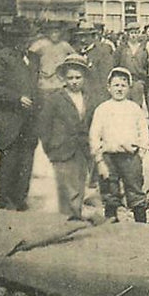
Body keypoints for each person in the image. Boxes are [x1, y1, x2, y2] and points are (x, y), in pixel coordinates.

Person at [0, 18, 41, 211]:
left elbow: (36, 86)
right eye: (20, 37)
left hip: (29, 122)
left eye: (28, 37)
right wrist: (17, 98)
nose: (25, 41)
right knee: (9, 164)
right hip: (9, 120)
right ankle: (7, 205)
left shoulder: (34, 58)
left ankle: (20, 202)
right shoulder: (1, 57)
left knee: (26, 164)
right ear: (12, 38)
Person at [36, 54, 96, 220]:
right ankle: (68, 221)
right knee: (66, 189)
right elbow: (44, 125)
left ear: (84, 78)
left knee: (79, 185)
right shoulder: (55, 98)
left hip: (82, 149)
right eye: (70, 78)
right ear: (64, 78)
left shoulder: (89, 98)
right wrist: (50, 147)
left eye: (78, 77)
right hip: (61, 148)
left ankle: (74, 219)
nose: (74, 81)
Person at [91, 67, 149, 223]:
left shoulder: (134, 108)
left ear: (129, 88)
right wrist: (99, 160)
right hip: (109, 156)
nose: (119, 89)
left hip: (130, 157)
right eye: (116, 85)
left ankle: (140, 224)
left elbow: (143, 131)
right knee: (110, 191)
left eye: (123, 85)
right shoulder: (102, 109)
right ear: (108, 87)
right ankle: (111, 223)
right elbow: (94, 135)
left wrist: (141, 152)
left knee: (135, 190)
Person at [114, 18, 149, 108]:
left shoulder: (143, 49)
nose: (134, 35)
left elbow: (146, 66)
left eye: (136, 33)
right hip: (124, 80)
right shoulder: (122, 48)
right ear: (128, 34)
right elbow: (115, 64)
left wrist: (143, 80)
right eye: (132, 33)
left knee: (137, 106)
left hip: (138, 81)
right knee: (123, 105)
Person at [76, 20, 114, 101]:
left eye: (86, 36)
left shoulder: (102, 52)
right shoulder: (77, 51)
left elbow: (106, 78)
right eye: (80, 36)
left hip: (96, 96)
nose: (83, 40)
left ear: (93, 36)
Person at [36, 21, 75, 94]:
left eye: (56, 32)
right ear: (47, 33)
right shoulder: (40, 44)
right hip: (44, 82)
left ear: (61, 33)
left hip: (60, 81)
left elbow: (74, 58)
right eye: (51, 32)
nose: (54, 35)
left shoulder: (65, 45)